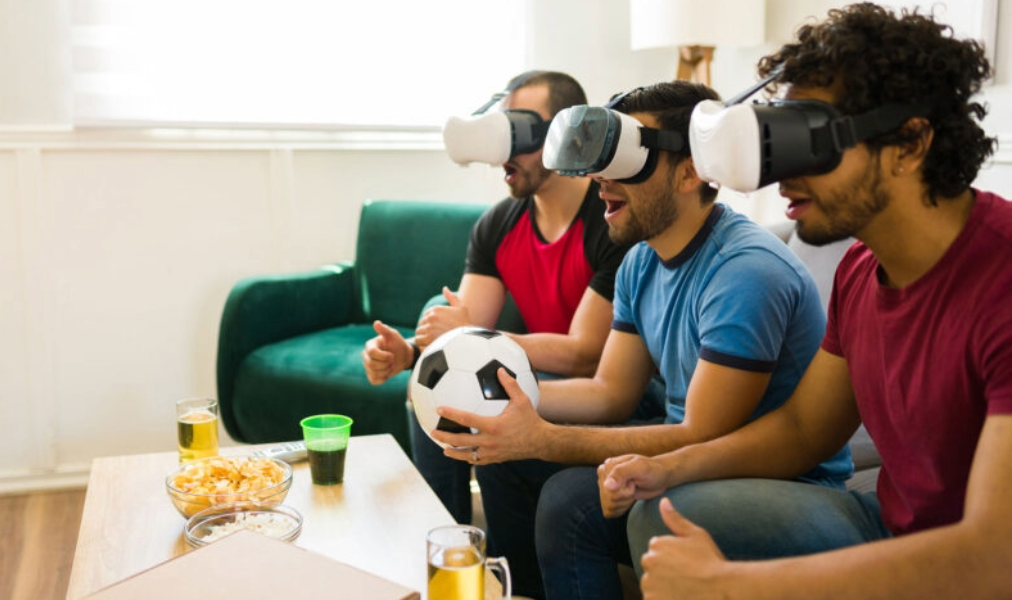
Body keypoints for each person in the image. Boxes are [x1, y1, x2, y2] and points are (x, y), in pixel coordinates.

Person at [599, 4, 1012, 600]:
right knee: (660, 511)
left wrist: (732, 585)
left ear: (910, 142)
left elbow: (994, 556)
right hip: (885, 525)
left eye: (809, 141)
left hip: (975, 564)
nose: (782, 177)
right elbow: (800, 429)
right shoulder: (861, 271)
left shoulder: (998, 284)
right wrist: (668, 466)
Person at [430, 80, 853, 600]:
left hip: (774, 475)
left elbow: (702, 432)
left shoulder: (744, 271)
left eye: (625, 160)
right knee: (505, 454)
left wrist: (543, 437)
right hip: (693, 442)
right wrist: (505, 402)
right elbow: (611, 391)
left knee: (569, 499)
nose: (601, 179)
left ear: (691, 170)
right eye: (599, 161)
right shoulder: (640, 260)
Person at [360, 70, 634, 524]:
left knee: (488, 396)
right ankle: (447, 540)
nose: (503, 155)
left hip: (604, 386)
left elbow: (588, 354)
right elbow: (462, 340)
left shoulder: (609, 221)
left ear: (566, 134)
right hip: (537, 368)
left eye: (518, 132)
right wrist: (409, 355)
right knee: (428, 390)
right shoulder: (497, 224)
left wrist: (474, 334)